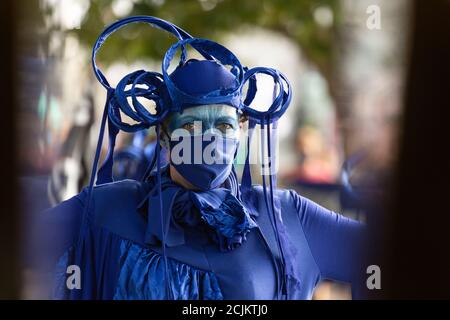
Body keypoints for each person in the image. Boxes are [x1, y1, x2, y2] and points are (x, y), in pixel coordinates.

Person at [34, 16, 365, 300]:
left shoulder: (287, 218)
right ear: (164, 133)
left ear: (241, 131)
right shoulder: (106, 209)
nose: (209, 138)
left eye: (223, 124)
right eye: (191, 124)